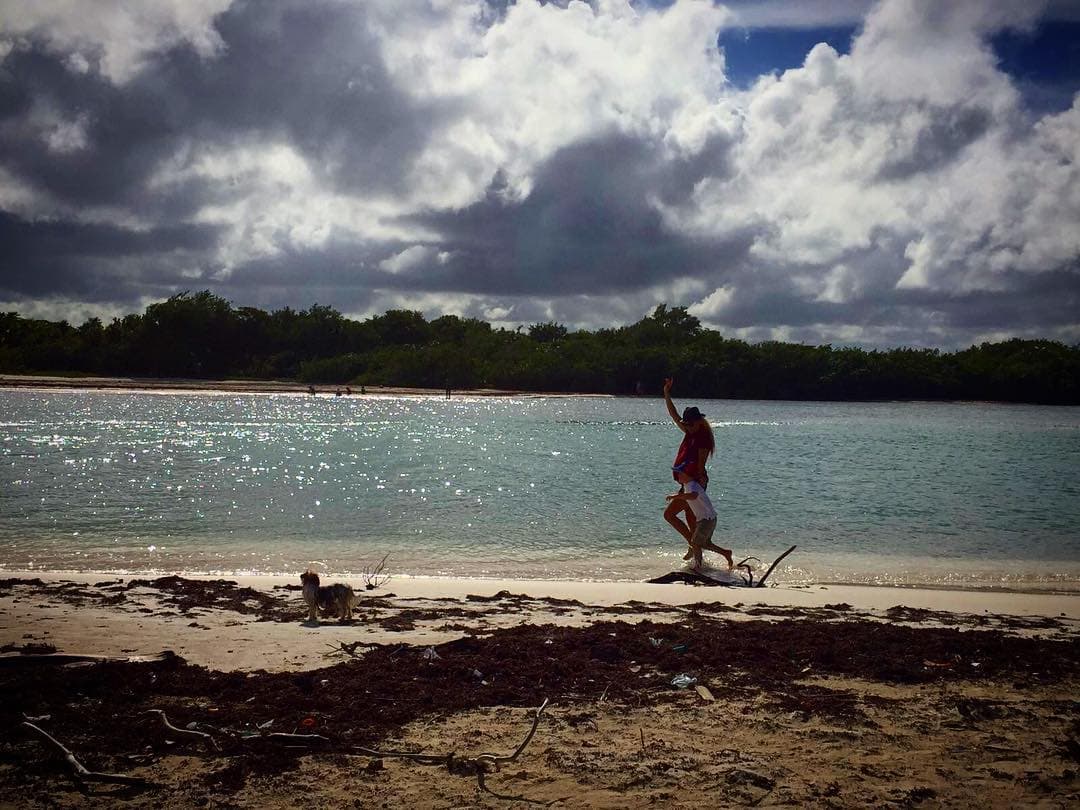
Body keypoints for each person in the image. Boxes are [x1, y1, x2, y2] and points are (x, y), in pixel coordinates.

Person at [662, 378, 731, 567]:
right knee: (690, 521)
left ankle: (696, 554)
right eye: (687, 424)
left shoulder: (703, 439)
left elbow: (700, 466)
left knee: (671, 515)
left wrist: (693, 488)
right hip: (686, 482)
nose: (688, 427)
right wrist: (667, 393)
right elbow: (674, 416)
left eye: (691, 424)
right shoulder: (691, 432)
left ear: (699, 422)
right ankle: (699, 556)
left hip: (695, 483)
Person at [666, 467, 731, 570]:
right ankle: (726, 553)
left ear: (689, 476)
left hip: (706, 520)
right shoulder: (687, 485)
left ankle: (698, 567)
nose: (677, 476)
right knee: (705, 544)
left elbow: (693, 496)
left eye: (680, 474)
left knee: (695, 543)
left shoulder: (692, 485)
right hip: (708, 519)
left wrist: (676, 497)